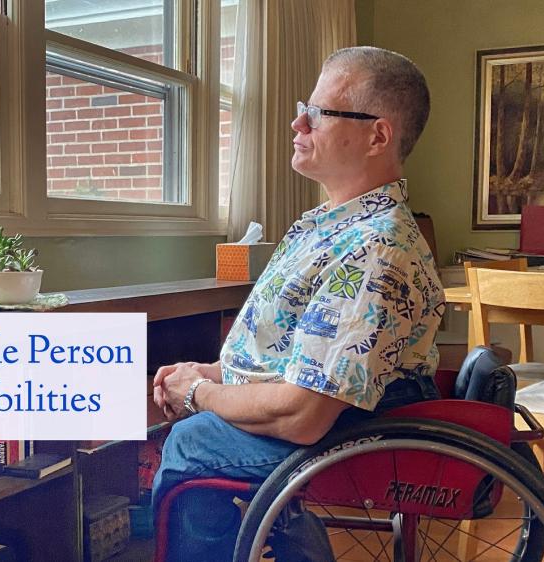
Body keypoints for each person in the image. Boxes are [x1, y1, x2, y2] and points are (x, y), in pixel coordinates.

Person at [151, 46, 445, 560]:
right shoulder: (321, 225)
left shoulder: (374, 249)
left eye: (319, 113)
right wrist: (213, 372)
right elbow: (289, 353)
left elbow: (303, 416)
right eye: (302, 106)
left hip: (349, 434)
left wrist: (198, 393)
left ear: (378, 135)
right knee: (196, 428)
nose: (297, 122)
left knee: (193, 443)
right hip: (326, 416)